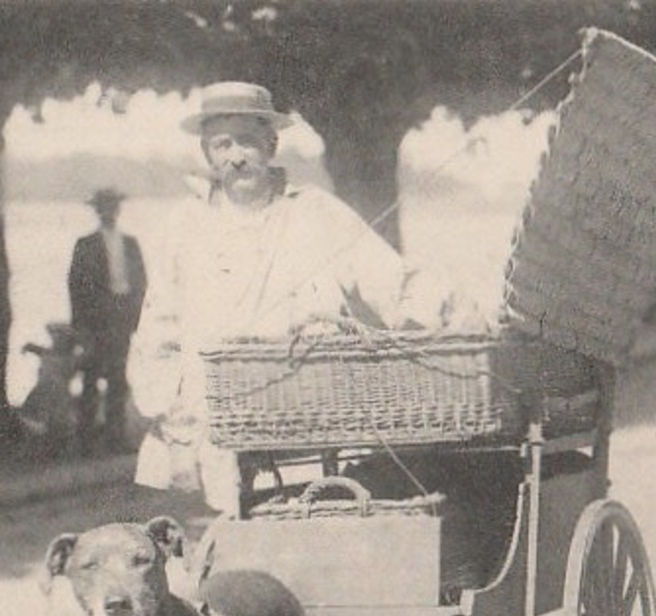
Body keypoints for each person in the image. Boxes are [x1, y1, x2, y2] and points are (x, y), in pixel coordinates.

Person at [131, 81, 454, 514]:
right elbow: (157, 338)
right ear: (207, 154)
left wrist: (451, 315)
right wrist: (177, 433)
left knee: (306, 536)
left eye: (248, 140)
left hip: (304, 427)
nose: (237, 156)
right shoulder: (183, 229)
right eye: (222, 145)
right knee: (214, 561)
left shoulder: (316, 214)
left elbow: (393, 280)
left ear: (272, 143)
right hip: (210, 433)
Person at [68, 187, 148, 454]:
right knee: (91, 378)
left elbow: (141, 283)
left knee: (118, 378)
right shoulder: (85, 244)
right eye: (103, 207)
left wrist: (137, 318)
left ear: (118, 210)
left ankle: (116, 436)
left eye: (112, 206)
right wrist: (80, 327)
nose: (109, 212)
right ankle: (86, 439)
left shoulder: (130, 244)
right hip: (95, 321)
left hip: (121, 317)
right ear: (97, 211)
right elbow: (75, 287)